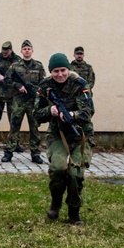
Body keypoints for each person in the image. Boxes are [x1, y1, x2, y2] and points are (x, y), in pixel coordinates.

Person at [35, 53, 94, 225]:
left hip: (80, 134)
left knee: (75, 173)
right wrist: (50, 110)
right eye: (55, 71)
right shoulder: (45, 86)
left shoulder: (80, 84)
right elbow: (36, 113)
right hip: (58, 134)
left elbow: (88, 112)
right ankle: (56, 201)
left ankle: (74, 211)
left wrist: (71, 114)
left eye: (63, 70)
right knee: (57, 168)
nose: (60, 74)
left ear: (68, 69)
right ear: (50, 71)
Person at [3, 40, 46, 164]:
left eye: (29, 48)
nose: (27, 51)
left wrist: (38, 92)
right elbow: (6, 80)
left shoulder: (38, 66)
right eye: (24, 49)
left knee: (34, 128)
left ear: (32, 51)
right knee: (14, 127)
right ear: (21, 51)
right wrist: (17, 85)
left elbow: (43, 83)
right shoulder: (15, 66)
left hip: (33, 102)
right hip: (19, 102)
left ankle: (35, 154)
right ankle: (8, 152)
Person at [0, 41, 21, 151]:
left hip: (12, 93)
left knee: (13, 119)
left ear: (11, 50)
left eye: (6, 52)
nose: (4, 54)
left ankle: (15, 143)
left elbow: (21, 75)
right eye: (3, 52)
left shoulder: (17, 60)